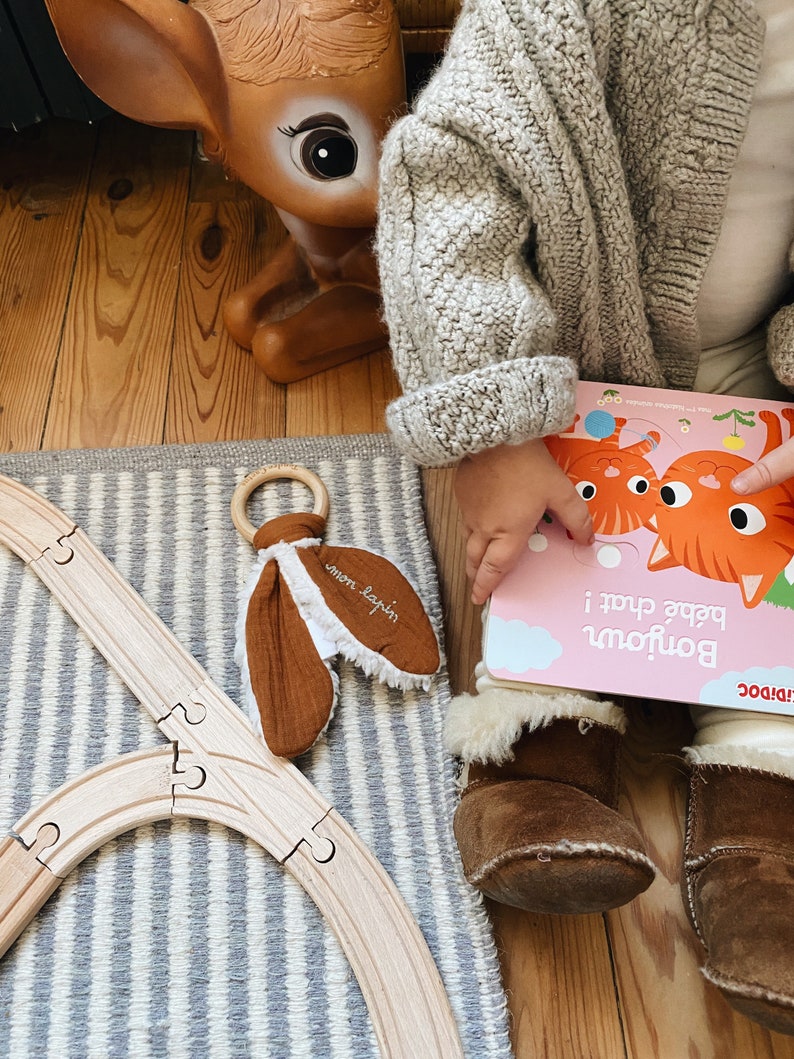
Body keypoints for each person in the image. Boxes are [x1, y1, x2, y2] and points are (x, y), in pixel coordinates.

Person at [375, 0, 794, 1036]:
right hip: (566, 386)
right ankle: (541, 743)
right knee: (544, 561)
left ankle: (763, 812)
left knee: (773, 603)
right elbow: (448, 173)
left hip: (763, 393)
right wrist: (494, 425)